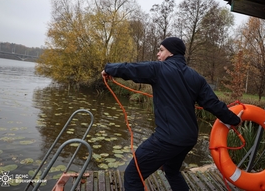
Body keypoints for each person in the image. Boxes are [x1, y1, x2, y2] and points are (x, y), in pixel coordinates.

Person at [101, 37, 241, 191]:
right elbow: (213, 104)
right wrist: (233, 120)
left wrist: (108, 68)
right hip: (189, 138)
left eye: (161, 50)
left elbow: (132, 68)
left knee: (133, 176)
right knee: (171, 171)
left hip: (167, 139)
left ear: (172, 52)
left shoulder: (158, 69)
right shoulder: (196, 77)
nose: (157, 54)